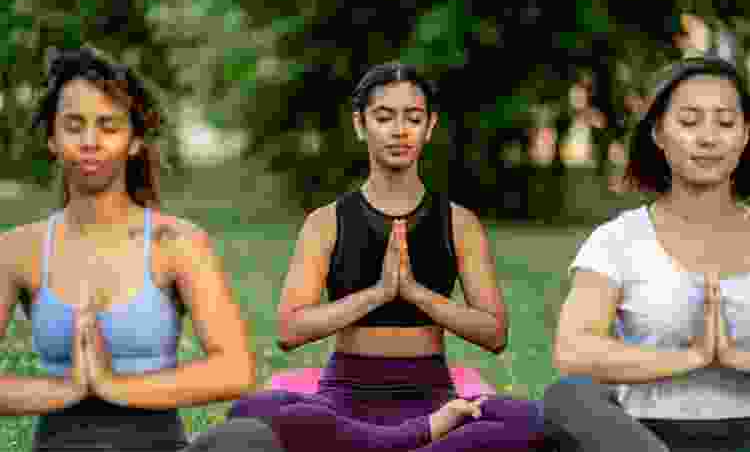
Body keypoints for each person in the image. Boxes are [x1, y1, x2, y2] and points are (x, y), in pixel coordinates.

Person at [224, 62, 547, 452]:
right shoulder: (326, 222)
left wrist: (415, 293)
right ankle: (413, 441)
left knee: (528, 420)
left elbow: (494, 334)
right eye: (384, 117)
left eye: (413, 118)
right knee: (257, 412)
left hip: (433, 396)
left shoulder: (459, 223)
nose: (399, 131)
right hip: (343, 398)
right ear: (361, 125)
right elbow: (290, 331)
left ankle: (386, 444)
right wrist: (377, 293)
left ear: (429, 127)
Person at [0, 46, 255, 452]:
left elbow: (235, 370)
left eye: (108, 126)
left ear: (134, 140)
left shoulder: (177, 242)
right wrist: (70, 391)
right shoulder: (17, 250)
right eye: (73, 125)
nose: (89, 141)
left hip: (157, 443)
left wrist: (114, 386)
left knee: (248, 438)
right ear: (52, 138)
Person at [543, 45, 750, 450]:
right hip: (645, 437)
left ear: (745, 135)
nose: (708, 138)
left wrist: (735, 358)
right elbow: (573, 349)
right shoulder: (618, 240)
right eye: (689, 121)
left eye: (725, 123)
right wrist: (688, 359)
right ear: (658, 133)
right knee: (566, 398)